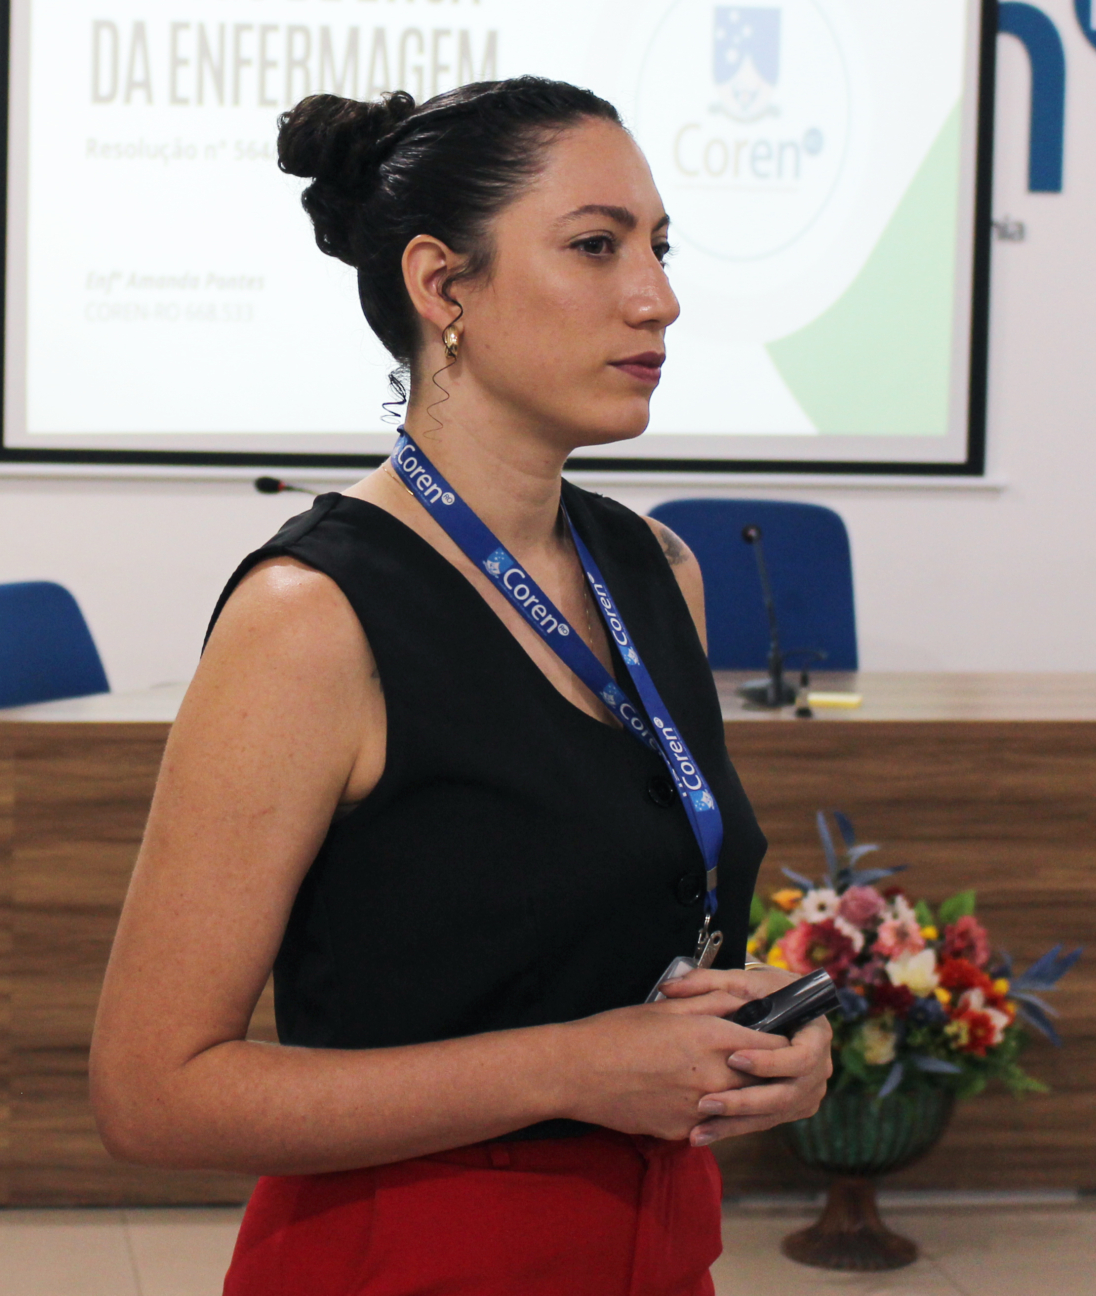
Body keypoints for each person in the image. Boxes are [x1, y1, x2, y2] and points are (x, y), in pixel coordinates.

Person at [90, 77, 833, 1296]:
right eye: (594, 246)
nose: (657, 296)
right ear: (443, 287)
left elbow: (624, 935)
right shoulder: (312, 616)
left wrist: (764, 1043)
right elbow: (151, 1095)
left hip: (657, 1252)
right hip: (407, 1260)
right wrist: (572, 1069)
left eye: (658, 248)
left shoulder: (661, 573)